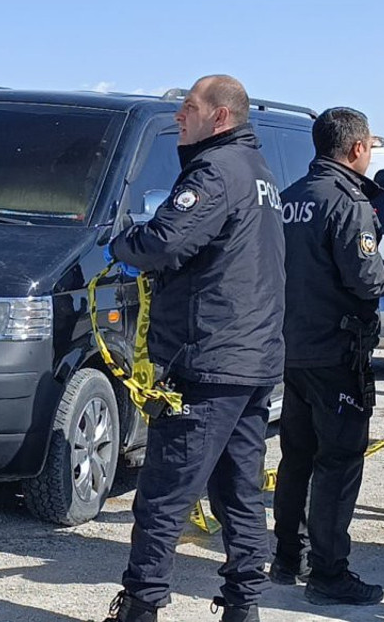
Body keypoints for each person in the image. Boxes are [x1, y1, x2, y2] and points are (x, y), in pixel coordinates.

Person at [101, 75, 286, 622]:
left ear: (220, 117)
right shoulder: (258, 172)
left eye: (188, 108)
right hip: (250, 360)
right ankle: (243, 605)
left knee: (164, 496)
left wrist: (119, 244)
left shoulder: (215, 172)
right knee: (240, 494)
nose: (180, 118)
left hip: (208, 360)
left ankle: (142, 605)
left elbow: (162, 242)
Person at [270, 107, 384, 607]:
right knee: (340, 460)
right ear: (356, 149)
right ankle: (329, 572)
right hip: (337, 351)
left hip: (294, 349)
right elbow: (365, 277)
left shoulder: (289, 199)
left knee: (297, 456)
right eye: (370, 147)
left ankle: (288, 556)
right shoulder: (347, 202)